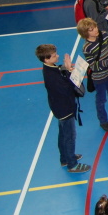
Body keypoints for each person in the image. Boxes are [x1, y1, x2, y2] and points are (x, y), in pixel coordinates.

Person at [36, 43, 91, 173]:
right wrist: (72, 73)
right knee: (69, 136)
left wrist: (66, 68)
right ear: (46, 59)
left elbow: (61, 75)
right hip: (64, 109)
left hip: (59, 107)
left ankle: (65, 158)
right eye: (54, 55)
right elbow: (67, 89)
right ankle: (72, 164)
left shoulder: (50, 68)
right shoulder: (51, 76)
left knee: (63, 134)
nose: (57, 56)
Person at [78, 17, 108, 132]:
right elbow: (93, 66)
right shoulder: (87, 48)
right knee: (101, 100)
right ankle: (103, 121)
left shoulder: (104, 35)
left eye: (95, 27)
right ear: (85, 33)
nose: (96, 30)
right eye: (92, 29)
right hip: (99, 77)